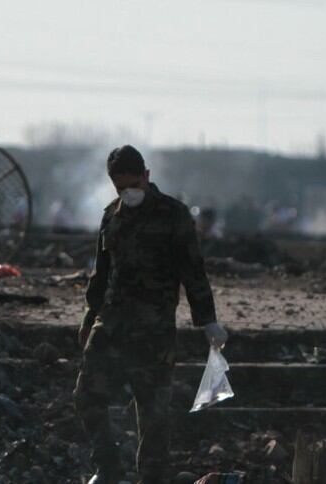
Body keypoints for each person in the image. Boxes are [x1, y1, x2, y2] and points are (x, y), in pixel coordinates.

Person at [74, 145, 228, 483]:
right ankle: (109, 468)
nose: (127, 193)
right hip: (111, 325)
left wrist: (208, 320)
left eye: (133, 185)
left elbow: (193, 269)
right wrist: (89, 317)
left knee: (154, 416)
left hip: (154, 332)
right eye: (119, 188)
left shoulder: (174, 215)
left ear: (146, 176)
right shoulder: (111, 215)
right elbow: (101, 273)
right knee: (87, 396)